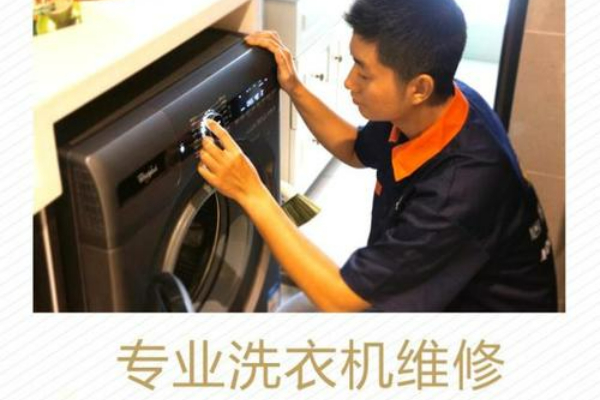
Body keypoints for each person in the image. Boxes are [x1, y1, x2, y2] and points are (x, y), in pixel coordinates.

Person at [196, 0, 558, 312]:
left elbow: (341, 300)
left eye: (364, 73)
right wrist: (293, 86)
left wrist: (251, 191)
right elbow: (354, 147)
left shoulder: (458, 191)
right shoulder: (440, 105)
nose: (349, 81)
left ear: (418, 88)